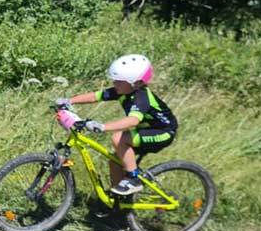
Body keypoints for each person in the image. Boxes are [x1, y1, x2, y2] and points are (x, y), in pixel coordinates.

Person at [56, 54, 178, 197]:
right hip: (146, 130)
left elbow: (133, 121)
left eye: (120, 81)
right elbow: (95, 96)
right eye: (115, 80)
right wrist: (69, 101)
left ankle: (133, 179)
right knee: (115, 163)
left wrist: (103, 127)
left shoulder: (142, 97)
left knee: (119, 138)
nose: (115, 84)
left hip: (163, 132)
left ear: (136, 83)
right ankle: (118, 201)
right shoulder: (122, 90)